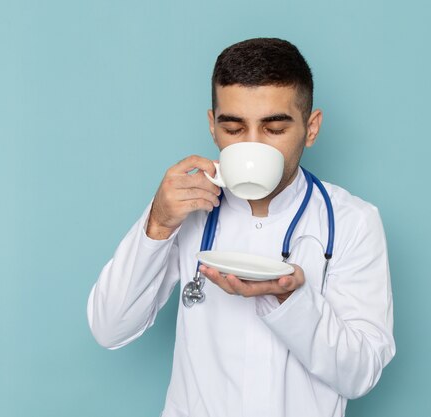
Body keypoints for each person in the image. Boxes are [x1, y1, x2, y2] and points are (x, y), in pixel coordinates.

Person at [87, 37, 395, 417]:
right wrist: (159, 224)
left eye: (274, 129)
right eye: (234, 129)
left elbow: (360, 374)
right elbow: (109, 327)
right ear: (213, 127)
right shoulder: (183, 207)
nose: (253, 145)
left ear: (311, 128)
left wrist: (290, 299)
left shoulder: (352, 221)